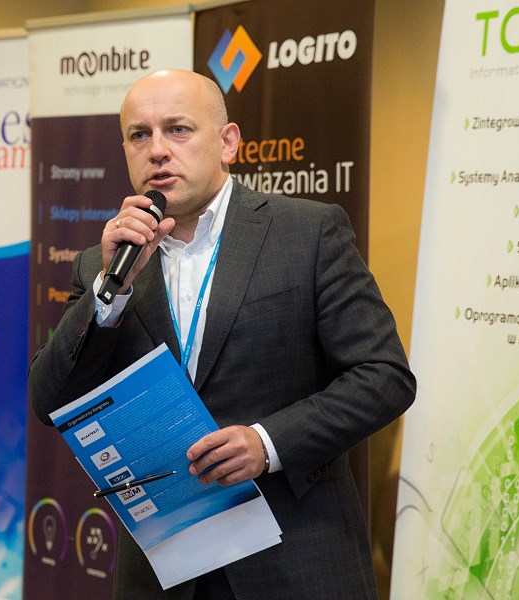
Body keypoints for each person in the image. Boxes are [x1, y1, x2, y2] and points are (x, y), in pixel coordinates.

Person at [28, 69, 416, 600]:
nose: (157, 150)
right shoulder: (104, 264)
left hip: (294, 561)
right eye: (140, 135)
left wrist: (267, 442)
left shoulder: (308, 233)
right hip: (165, 570)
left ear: (227, 142)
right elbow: (49, 401)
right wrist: (108, 296)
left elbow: (385, 376)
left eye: (178, 129)